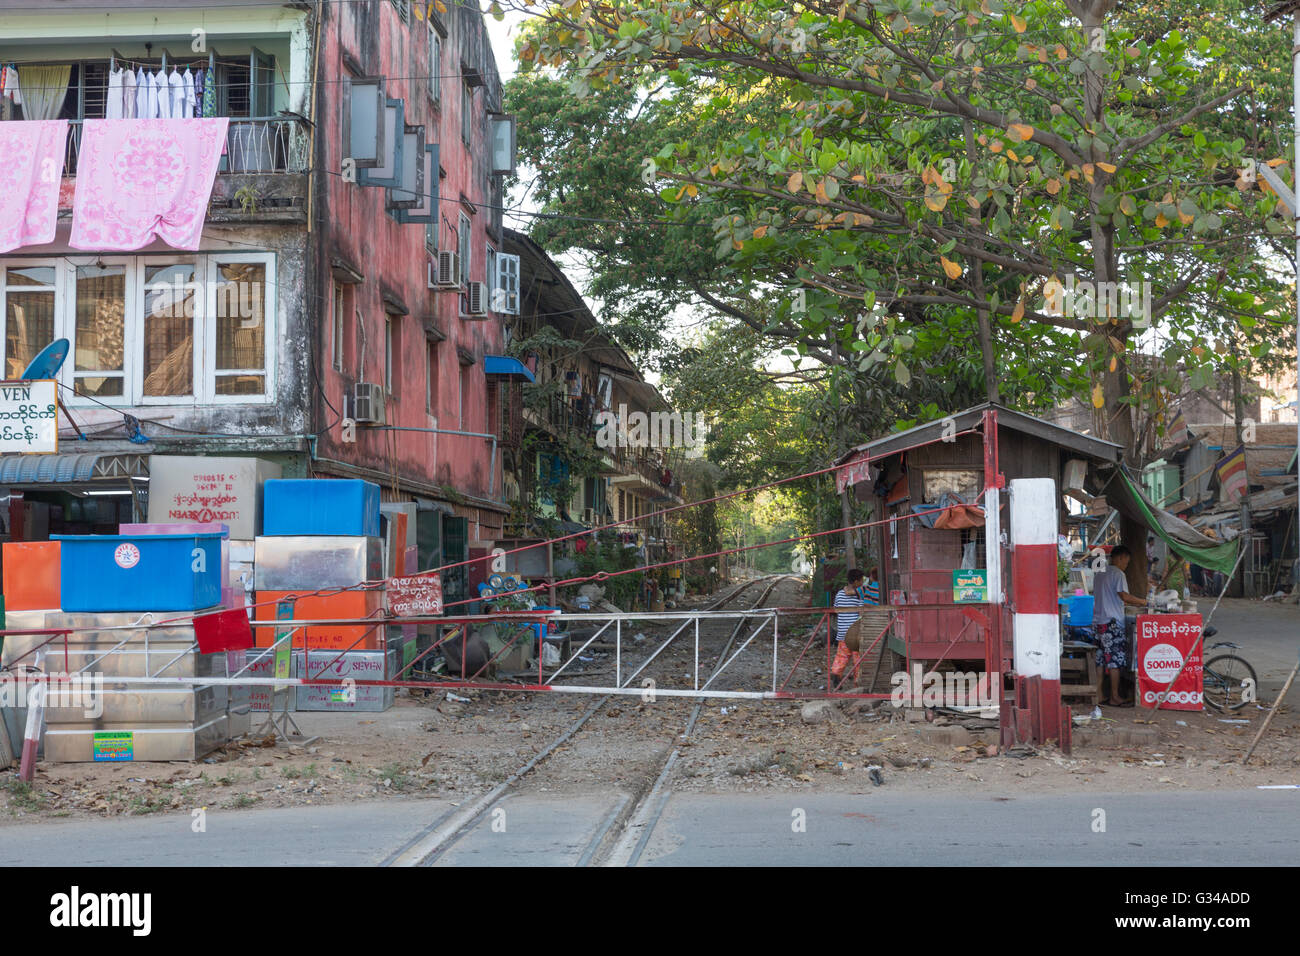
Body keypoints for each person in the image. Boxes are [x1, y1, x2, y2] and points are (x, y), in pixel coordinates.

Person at [1091, 545, 1146, 706]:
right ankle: (1115, 697)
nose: (1126, 565)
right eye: (1126, 562)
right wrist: (1143, 601)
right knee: (1115, 662)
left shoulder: (1099, 573)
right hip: (1112, 623)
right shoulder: (1118, 574)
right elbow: (1123, 596)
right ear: (1121, 557)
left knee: (1100, 661)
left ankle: (1099, 695)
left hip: (1098, 622)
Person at [831, 567, 877, 681]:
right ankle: (858, 680)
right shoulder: (860, 595)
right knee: (858, 658)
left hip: (842, 632)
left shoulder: (839, 594)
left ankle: (836, 672)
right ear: (856, 582)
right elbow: (862, 611)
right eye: (861, 580)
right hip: (855, 632)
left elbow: (836, 609)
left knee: (842, 656)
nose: (862, 583)